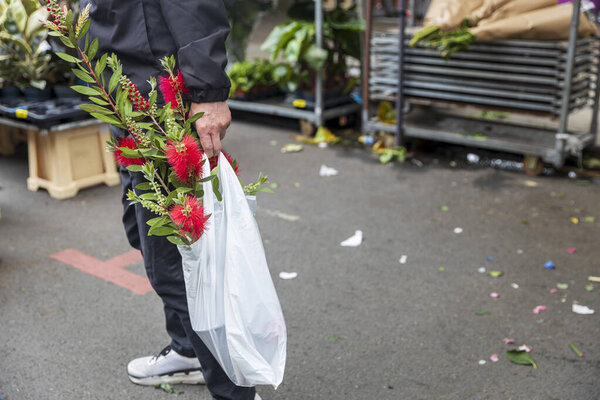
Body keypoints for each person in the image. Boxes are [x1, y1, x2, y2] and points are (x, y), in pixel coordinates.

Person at [81, 1, 258, 399]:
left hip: (160, 90)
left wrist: (208, 90)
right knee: (142, 232)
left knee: (175, 262)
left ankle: (235, 393)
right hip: (122, 86)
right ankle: (188, 350)